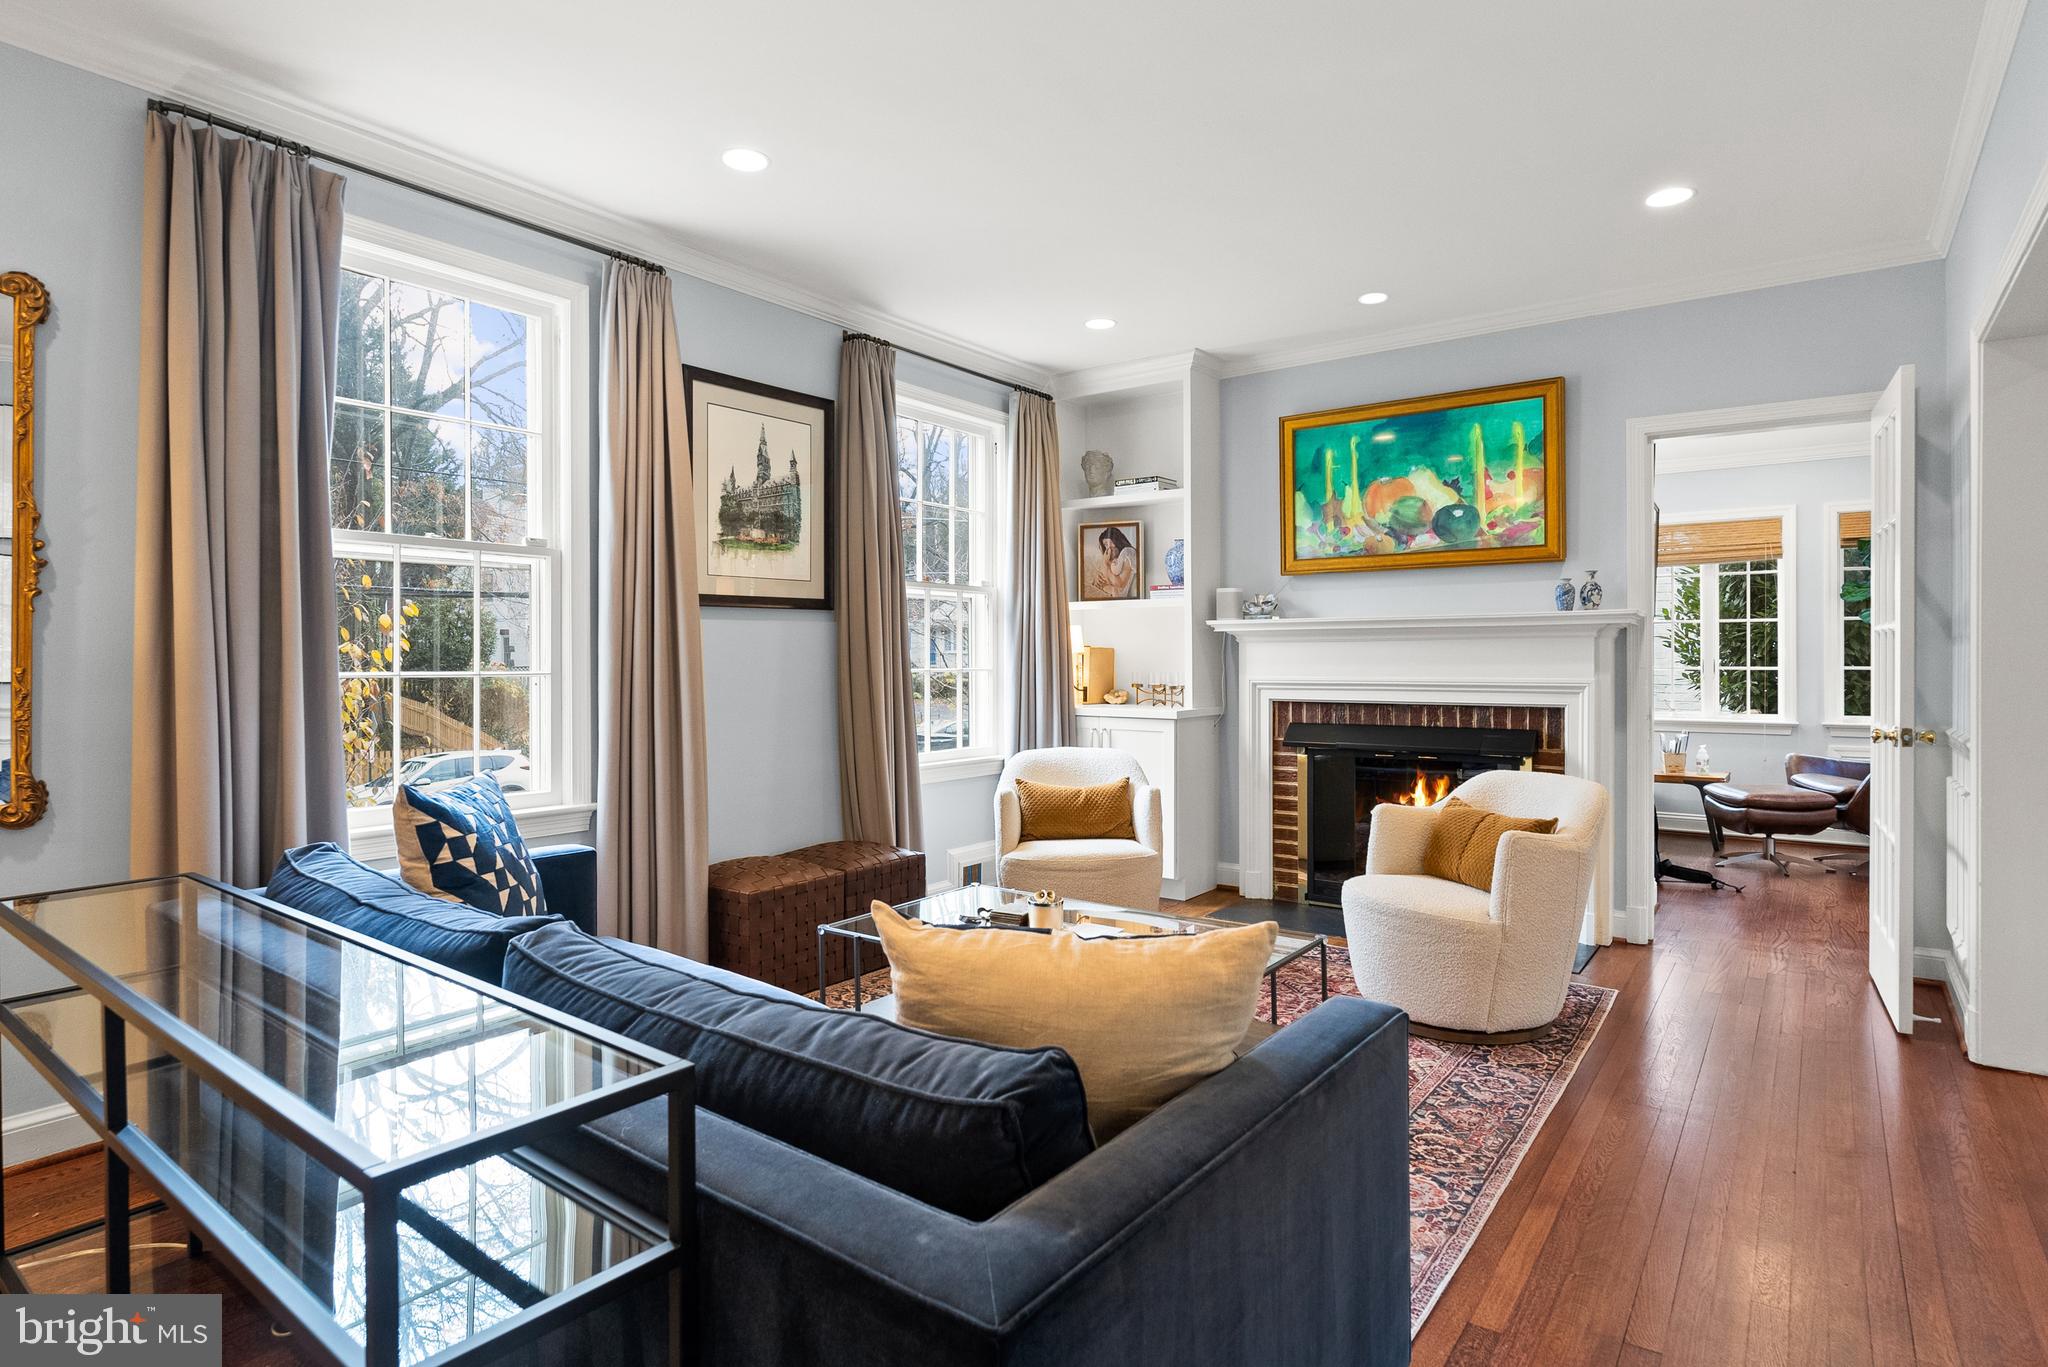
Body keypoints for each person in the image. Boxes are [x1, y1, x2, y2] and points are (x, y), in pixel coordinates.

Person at [1089, 525, 1138, 599]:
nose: (1109, 547)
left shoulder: (1127, 552)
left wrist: (1105, 563)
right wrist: (1097, 579)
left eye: (1111, 542)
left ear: (1118, 541)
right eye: (1106, 544)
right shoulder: (1110, 559)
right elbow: (1100, 580)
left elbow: (1120, 584)